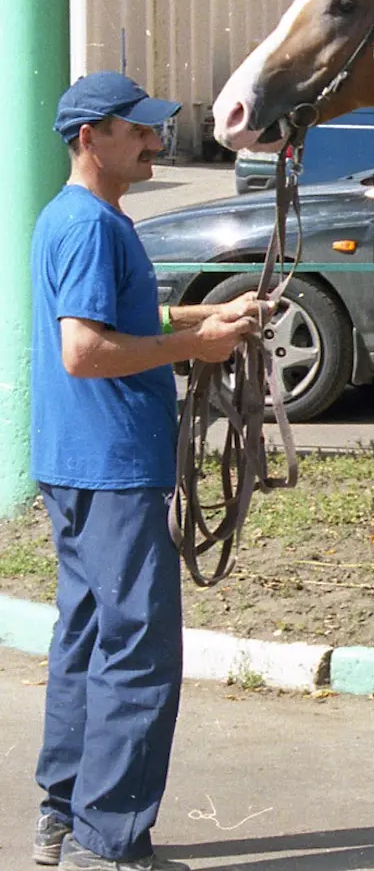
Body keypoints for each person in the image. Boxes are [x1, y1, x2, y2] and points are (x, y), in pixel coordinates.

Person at [30, 71, 262, 871]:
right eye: (140, 132)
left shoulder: (72, 217)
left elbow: (115, 320)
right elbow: (84, 349)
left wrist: (203, 317)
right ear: (92, 138)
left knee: (86, 639)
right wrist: (195, 348)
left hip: (74, 463)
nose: (158, 142)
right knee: (139, 651)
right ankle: (114, 835)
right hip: (116, 465)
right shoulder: (94, 226)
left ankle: (61, 814)